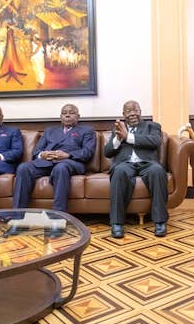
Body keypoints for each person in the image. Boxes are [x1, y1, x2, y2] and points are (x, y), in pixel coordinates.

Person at [13, 104, 96, 211]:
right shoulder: (49, 131)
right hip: (47, 162)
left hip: (70, 162)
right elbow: (36, 152)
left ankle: (58, 214)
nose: (67, 115)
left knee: (60, 168)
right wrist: (42, 154)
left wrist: (67, 155)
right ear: (60, 117)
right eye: (64, 113)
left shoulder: (87, 131)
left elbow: (87, 152)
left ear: (78, 116)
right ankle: (18, 213)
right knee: (24, 167)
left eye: (71, 113)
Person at [104, 100, 168, 238]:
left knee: (157, 171)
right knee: (119, 172)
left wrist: (128, 136)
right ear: (123, 115)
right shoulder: (118, 129)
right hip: (125, 163)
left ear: (140, 112)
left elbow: (155, 142)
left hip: (147, 163)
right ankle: (117, 223)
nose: (132, 113)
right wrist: (118, 138)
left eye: (135, 110)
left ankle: (160, 221)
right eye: (128, 111)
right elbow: (107, 152)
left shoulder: (152, 126)